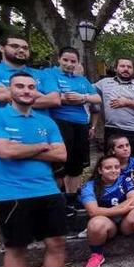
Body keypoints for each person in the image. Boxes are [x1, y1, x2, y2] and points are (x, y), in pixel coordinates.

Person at [0, 72, 77, 267]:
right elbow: (3, 150)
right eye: (20, 86)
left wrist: (21, 149)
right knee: (16, 247)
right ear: (9, 89)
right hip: (12, 193)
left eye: (31, 87)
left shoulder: (45, 122)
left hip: (48, 190)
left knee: (56, 242)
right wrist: (42, 147)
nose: (26, 91)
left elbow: (62, 155)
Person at [47, 47, 102, 216]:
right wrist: (67, 98)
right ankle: (58, 199)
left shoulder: (81, 80)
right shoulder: (50, 75)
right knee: (60, 163)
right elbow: (53, 97)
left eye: (73, 61)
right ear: (59, 59)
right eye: (66, 60)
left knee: (76, 164)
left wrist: (82, 98)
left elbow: (97, 99)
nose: (69, 64)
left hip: (81, 124)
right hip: (60, 122)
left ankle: (71, 198)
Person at [80, 155, 134, 267]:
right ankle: (97, 255)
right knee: (94, 223)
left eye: (116, 167)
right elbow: (93, 211)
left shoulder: (126, 179)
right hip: (108, 224)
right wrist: (121, 210)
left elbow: (133, 201)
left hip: (126, 222)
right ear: (100, 170)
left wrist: (106, 211)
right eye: (108, 168)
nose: (114, 170)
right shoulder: (89, 186)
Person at [0, 34, 60, 110]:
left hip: (42, 125)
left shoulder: (43, 74)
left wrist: (11, 92)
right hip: (5, 124)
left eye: (25, 48)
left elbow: (54, 100)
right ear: (1, 48)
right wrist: (39, 95)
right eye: (15, 46)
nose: (21, 50)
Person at [93, 58, 134, 160]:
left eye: (129, 67)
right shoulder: (104, 83)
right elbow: (86, 89)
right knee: (111, 163)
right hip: (111, 130)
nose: (126, 69)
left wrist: (127, 102)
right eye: (122, 66)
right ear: (116, 68)